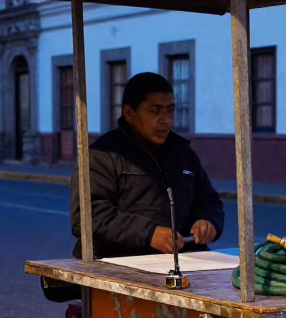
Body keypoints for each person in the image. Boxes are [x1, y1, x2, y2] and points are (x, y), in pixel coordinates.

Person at [70, 71, 223, 259]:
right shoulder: (103, 155)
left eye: (170, 110)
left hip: (182, 262)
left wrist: (208, 221)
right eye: (155, 111)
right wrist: (149, 234)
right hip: (117, 266)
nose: (165, 119)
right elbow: (88, 216)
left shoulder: (183, 153)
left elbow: (209, 201)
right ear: (129, 113)